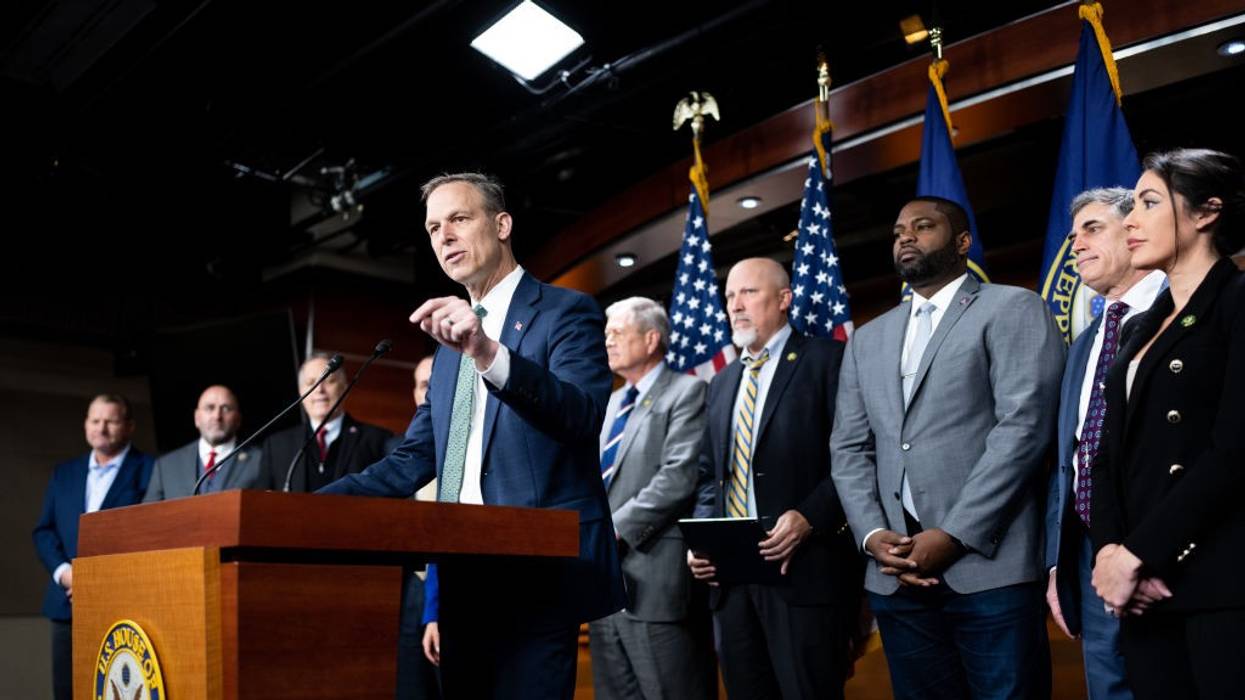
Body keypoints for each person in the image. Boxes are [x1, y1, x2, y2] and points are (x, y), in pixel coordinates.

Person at [319, 172, 625, 699]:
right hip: (462, 578)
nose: (445, 236)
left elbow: (580, 415)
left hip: (536, 575)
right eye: (434, 227)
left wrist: (489, 354)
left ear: (502, 224)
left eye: (459, 219)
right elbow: (412, 459)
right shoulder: (445, 351)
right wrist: (309, 508)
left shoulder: (563, 312)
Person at [830, 196, 1064, 699]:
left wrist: (955, 535)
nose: (906, 237)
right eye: (897, 231)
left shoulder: (1012, 306)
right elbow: (849, 449)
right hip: (895, 576)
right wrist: (873, 536)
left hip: (988, 569)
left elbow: (1023, 429)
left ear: (962, 242)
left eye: (923, 226)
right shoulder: (867, 340)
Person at [1090, 148, 1245, 700]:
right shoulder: (1140, 328)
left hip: (1217, 583)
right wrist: (1110, 552)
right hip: (1140, 590)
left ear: (1206, 212)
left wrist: (1142, 553)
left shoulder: (1236, 301)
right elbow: (1108, 455)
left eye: (1149, 203)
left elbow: (1233, 453)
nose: (1129, 221)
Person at [688, 257, 863, 699]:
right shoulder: (723, 381)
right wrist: (703, 542)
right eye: (729, 296)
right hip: (732, 582)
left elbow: (855, 457)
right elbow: (710, 476)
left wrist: (809, 516)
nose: (735, 305)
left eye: (748, 292)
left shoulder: (827, 359)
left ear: (784, 299)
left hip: (803, 573)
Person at [1044, 188, 1165, 700]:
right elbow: (1068, 459)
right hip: (1088, 556)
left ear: (1134, 230)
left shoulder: (1182, 313)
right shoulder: (1086, 342)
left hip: (1161, 555)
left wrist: (1154, 551)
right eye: (1073, 236)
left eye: (1093, 229)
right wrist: (1057, 560)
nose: (1077, 245)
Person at [589, 296, 713, 700]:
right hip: (605, 584)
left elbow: (678, 477)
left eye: (618, 333)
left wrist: (614, 530)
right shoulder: (607, 406)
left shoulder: (687, 391)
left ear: (651, 339)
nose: (607, 341)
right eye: (606, 333)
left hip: (656, 579)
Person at [32, 394, 155, 700]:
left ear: (129, 426)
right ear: (86, 425)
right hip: (66, 603)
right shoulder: (64, 473)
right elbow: (44, 531)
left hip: (123, 604)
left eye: (111, 421)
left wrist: (97, 579)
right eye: (95, 420)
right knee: (67, 691)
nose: (101, 428)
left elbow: (150, 535)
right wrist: (66, 574)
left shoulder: (151, 469)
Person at [262, 353, 391, 492]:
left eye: (329, 381)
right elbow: (259, 503)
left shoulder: (377, 440)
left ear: (344, 388)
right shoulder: (276, 445)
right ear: (301, 392)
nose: (319, 390)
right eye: (311, 383)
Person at [144, 384, 264, 500]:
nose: (217, 416)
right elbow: (147, 516)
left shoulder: (260, 460)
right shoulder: (166, 465)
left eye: (226, 408)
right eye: (209, 408)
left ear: (238, 419)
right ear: (197, 418)